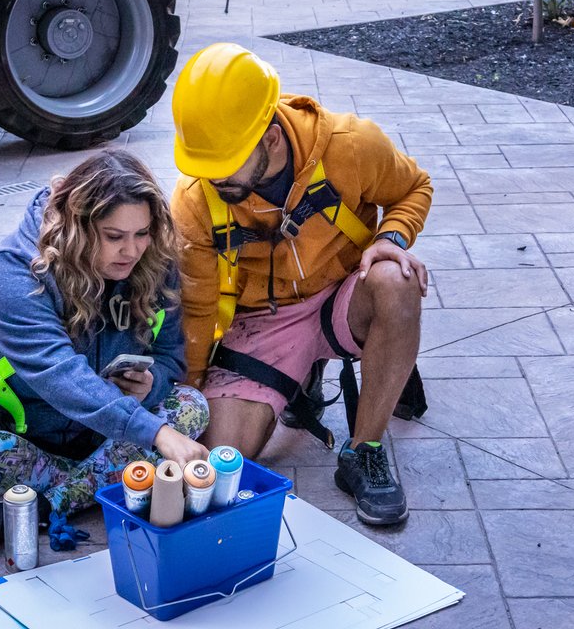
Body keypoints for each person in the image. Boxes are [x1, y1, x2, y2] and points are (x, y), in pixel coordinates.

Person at [169, 43, 431, 526]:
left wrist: (392, 238)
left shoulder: (350, 145)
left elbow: (415, 186)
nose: (208, 179)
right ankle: (297, 380)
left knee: (398, 278)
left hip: (342, 296)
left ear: (270, 139)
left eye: (223, 164)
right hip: (264, 322)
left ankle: (363, 451)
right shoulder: (194, 201)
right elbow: (198, 309)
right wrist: (188, 398)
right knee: (222, 461)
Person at [0, 151, 209, 547]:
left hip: (101, 427)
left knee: (191, 405)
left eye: (143, 233)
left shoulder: (151, 262)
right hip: (17, 429)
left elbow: (172, 357)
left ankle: (46, 501)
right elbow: (60, 376)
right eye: (114, 236)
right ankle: (107, 479)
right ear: (77, 228)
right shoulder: (13, 273)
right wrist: (156, 434)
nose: (132, 251)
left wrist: (149, 387)